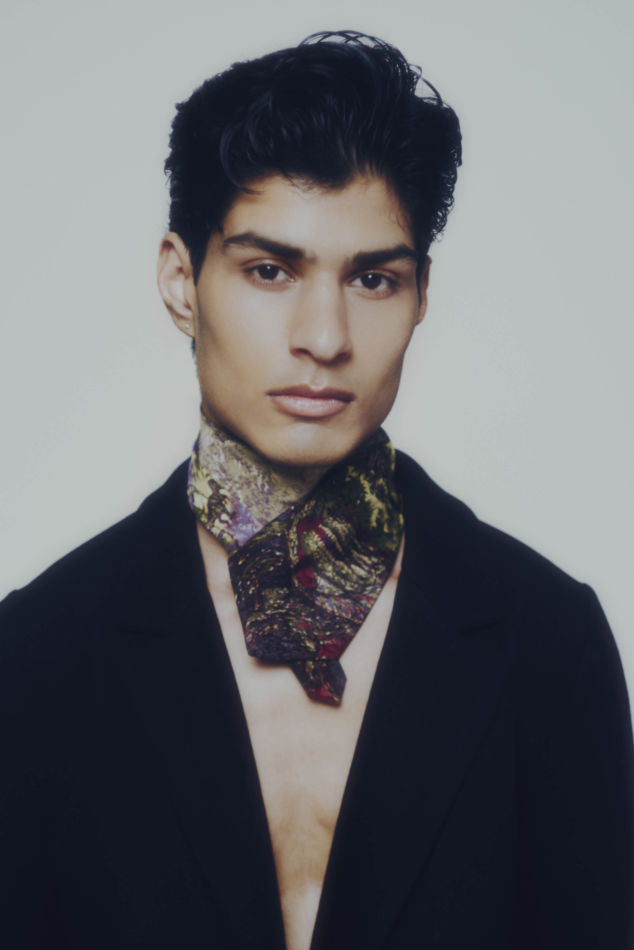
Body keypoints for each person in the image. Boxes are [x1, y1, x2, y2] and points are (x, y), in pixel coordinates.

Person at [0, 30, 632, 950]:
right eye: (270, 270)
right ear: (181, 282)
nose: (325, 337)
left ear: (420, 296)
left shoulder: (546, 641)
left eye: (373, 278)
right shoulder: (39, 653)